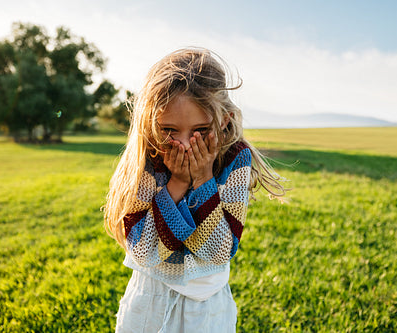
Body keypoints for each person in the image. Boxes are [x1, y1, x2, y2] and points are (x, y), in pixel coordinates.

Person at [104, 47, 287, 333]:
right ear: (151, 124)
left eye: (200, 130)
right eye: (169, 130)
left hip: (206, 310)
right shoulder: (151, 160)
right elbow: (143, 251)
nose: (186, 144)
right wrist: (176, 183)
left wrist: (203, 179)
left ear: (224, 119)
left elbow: (218, 252)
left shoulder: (235, 159)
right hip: (149, 301)